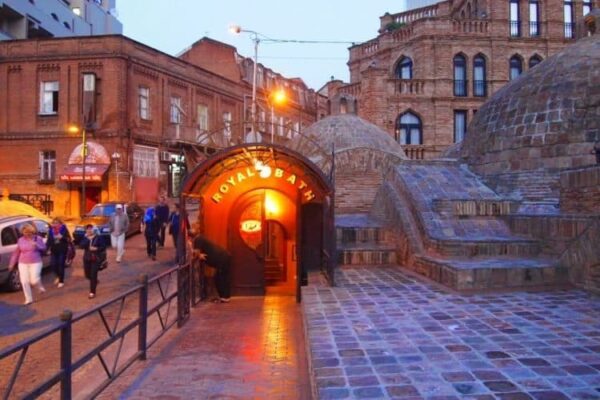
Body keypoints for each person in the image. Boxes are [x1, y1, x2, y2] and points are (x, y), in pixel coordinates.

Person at [9, 223, 47, 305]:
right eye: (24, 232)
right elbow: (16, 253)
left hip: (36, 262)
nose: (27, 234)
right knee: (24, 281)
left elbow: (44, 248)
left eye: (28, 232)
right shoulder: (20, 240)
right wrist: (12, 263)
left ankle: (39, 287)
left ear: (32, 231)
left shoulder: (38, 238)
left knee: (34, 280)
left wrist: (37, 245)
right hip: (22, 263)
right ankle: (28, 299)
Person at [192, 234, 231, 303]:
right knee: (220, 277)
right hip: (223, 257)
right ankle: (224, 297)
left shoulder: (197, 239)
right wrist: (199, 255)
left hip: (221, 259)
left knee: (220, 278)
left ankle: (224, 297)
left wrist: (198, 255)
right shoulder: (201, 238)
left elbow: (196, 253)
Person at [80, 224, 107, 299]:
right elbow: (81, 246)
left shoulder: (99, 237)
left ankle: (92, 292)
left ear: (94, 230)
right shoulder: (85, 237)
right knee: (87, 275)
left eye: (90, 229)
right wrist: (87, 239)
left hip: (96, 258)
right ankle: (95, 281)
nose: (89, 230)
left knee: (93, 274)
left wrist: (96, 249)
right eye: (87, 229)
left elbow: (103, 246)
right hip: (87, 258)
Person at [47, 217, 71, 288]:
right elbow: (49, 240)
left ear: (60, 223)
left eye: (56, 223)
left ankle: (61, 281)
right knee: (53, 264)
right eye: (54, 223)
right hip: (54, 250)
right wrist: (47, 248)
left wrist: (62, 237)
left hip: (62, 249)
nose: (55, 224)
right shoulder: (51, 230)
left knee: (61, 264)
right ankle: (58, 276)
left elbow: (69, 239)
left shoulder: (64, 230)